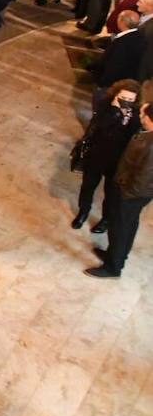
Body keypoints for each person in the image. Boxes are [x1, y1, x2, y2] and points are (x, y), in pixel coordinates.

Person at [86, 100, 153, 278]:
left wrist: (125, 192)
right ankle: (115, 256)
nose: (140, 117)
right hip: (131, 191)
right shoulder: (148, 134)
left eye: (143, 115)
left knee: (121, 228)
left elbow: (143, 178)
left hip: (132, 194)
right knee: (126, 226)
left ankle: (113, 268)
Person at [73, 80, 141, 233]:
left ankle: (105, 219)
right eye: (124, 98)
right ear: (116, 95)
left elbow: (131, 138)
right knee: (87, 187)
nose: (127, 102)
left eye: (131, 100)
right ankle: (83, 212)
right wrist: (116, 112)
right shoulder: (105, 106)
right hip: (96, 156)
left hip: (117, 161)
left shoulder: (136, 116)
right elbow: (101, 127)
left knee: (110, 193)